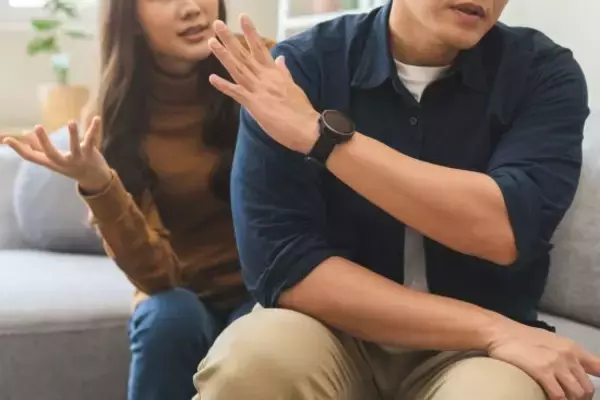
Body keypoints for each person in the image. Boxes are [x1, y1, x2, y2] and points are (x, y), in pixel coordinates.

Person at [192, 1, 600, 400]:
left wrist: (322, 139)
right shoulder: (300, 67)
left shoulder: (541, 72)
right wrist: (492, 328)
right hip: (329, 329)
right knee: (251, 362)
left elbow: (502, 228)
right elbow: (284, 264)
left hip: (476, 354)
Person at [0, 1, 274, 399]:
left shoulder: (261, 63)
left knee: (259, 332)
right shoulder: (113, 115)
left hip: (265, 287)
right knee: (168, 318)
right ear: (130, 19)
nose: (191, 7)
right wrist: (99, 185)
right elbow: (157, 277)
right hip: (179, 290)